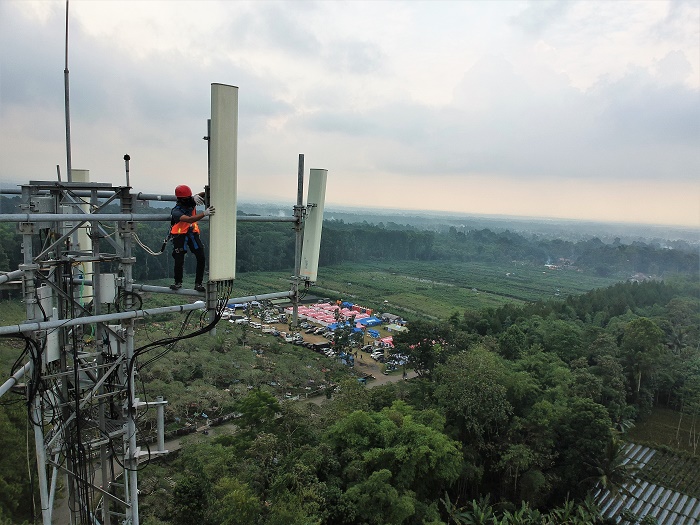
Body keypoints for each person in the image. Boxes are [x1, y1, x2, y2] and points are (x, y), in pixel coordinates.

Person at [169, 184, 215, 292]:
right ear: (181, 199)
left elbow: (199, 196)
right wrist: (204, 213)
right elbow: (190, 219)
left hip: (192, 234)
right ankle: (178, 282)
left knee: (201, 257)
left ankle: (198, 283)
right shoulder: (176, 211)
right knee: (179, 259)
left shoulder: (189, 201)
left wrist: (200, 194)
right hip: (180, 236)